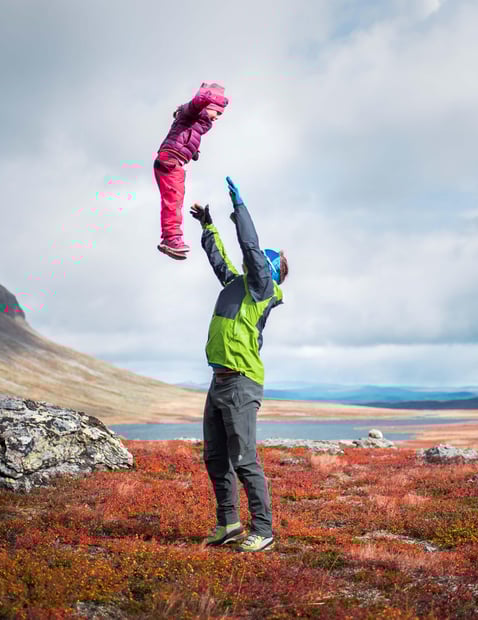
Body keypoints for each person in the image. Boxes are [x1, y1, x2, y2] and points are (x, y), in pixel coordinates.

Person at [191, 176, 288, 552]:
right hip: (218, 382)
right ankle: (229, 523)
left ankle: (263, 530)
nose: (256, 262)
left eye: (264, 262)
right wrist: (208, 225)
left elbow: (249, 246)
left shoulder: (263, 288)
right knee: (216, 456)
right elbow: (219, 257)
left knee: (245, 458)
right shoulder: (236, 284)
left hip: (242, 382)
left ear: (271, 270)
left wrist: (240, 210)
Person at [155, 82, 229, 260]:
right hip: (170, 161)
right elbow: (193, 106)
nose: (218, 117)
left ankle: (171, 237)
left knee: (175, 200)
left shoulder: (196, 122)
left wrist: (193, 151)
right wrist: (203, 99)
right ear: (207, 105)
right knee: (173, 201)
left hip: (173, 161)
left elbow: (185, 134)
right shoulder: (193, 111)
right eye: (217, 112)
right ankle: (171, 238)